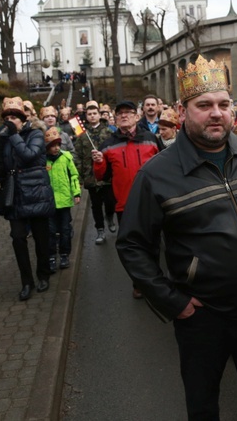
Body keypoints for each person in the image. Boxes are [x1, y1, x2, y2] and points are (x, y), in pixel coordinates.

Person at [116, 55, 237, 420]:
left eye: (224, 104)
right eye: (203, 105)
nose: (216, 113)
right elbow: (132, 245)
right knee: (204, 405)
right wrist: (171, 300)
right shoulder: (157, 175)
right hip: (202, 320)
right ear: (182, 111)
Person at [92, 100, 160, 298]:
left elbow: (164, 166)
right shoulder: (107, 145)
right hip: (124, 205)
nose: (124, 116)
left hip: (150, 203)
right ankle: (138, 283)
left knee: (152, 244)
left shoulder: (151, 139)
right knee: (133, 248)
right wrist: (97, 163)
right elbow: (101, 176)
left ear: (136, 116)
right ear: (115, 117)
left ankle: (155, 282)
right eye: (120, 113)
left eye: (128, 112)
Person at [0, 97, 55, 301]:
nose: (10, 121)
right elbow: (1, 164)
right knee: (18, 239)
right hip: (16, 195)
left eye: (15, 117)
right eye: (8, 117)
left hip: (35, 192)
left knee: (41, 237)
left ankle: (43, 274)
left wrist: (13, 135)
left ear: (23, 119)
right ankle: (26, 281)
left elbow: (29, 155)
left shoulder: (36, 134)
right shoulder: (4, 137)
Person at [74, 102, 116, 245]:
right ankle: (100, 229)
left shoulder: (109, 132)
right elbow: (77, 155)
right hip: (90, 175)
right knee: (96, 205)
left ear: (99, 115)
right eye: (89, 114)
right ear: (86, 117)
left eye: (94, 113)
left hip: (107, 176)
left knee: (110, 201)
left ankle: (110, 216)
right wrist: (81, 175)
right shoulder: (82, 135)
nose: (92, 116)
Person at [44, 127, 81, 271]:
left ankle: (65, 254)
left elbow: (73, 175)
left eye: (58, 145)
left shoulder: (66, 157)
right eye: (52, 145)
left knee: (65, 229)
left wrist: (76, 193)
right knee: (51, 231)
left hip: (65, 200)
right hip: (50, 202)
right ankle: (52, 255)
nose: (56, 148)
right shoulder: (44, 161)